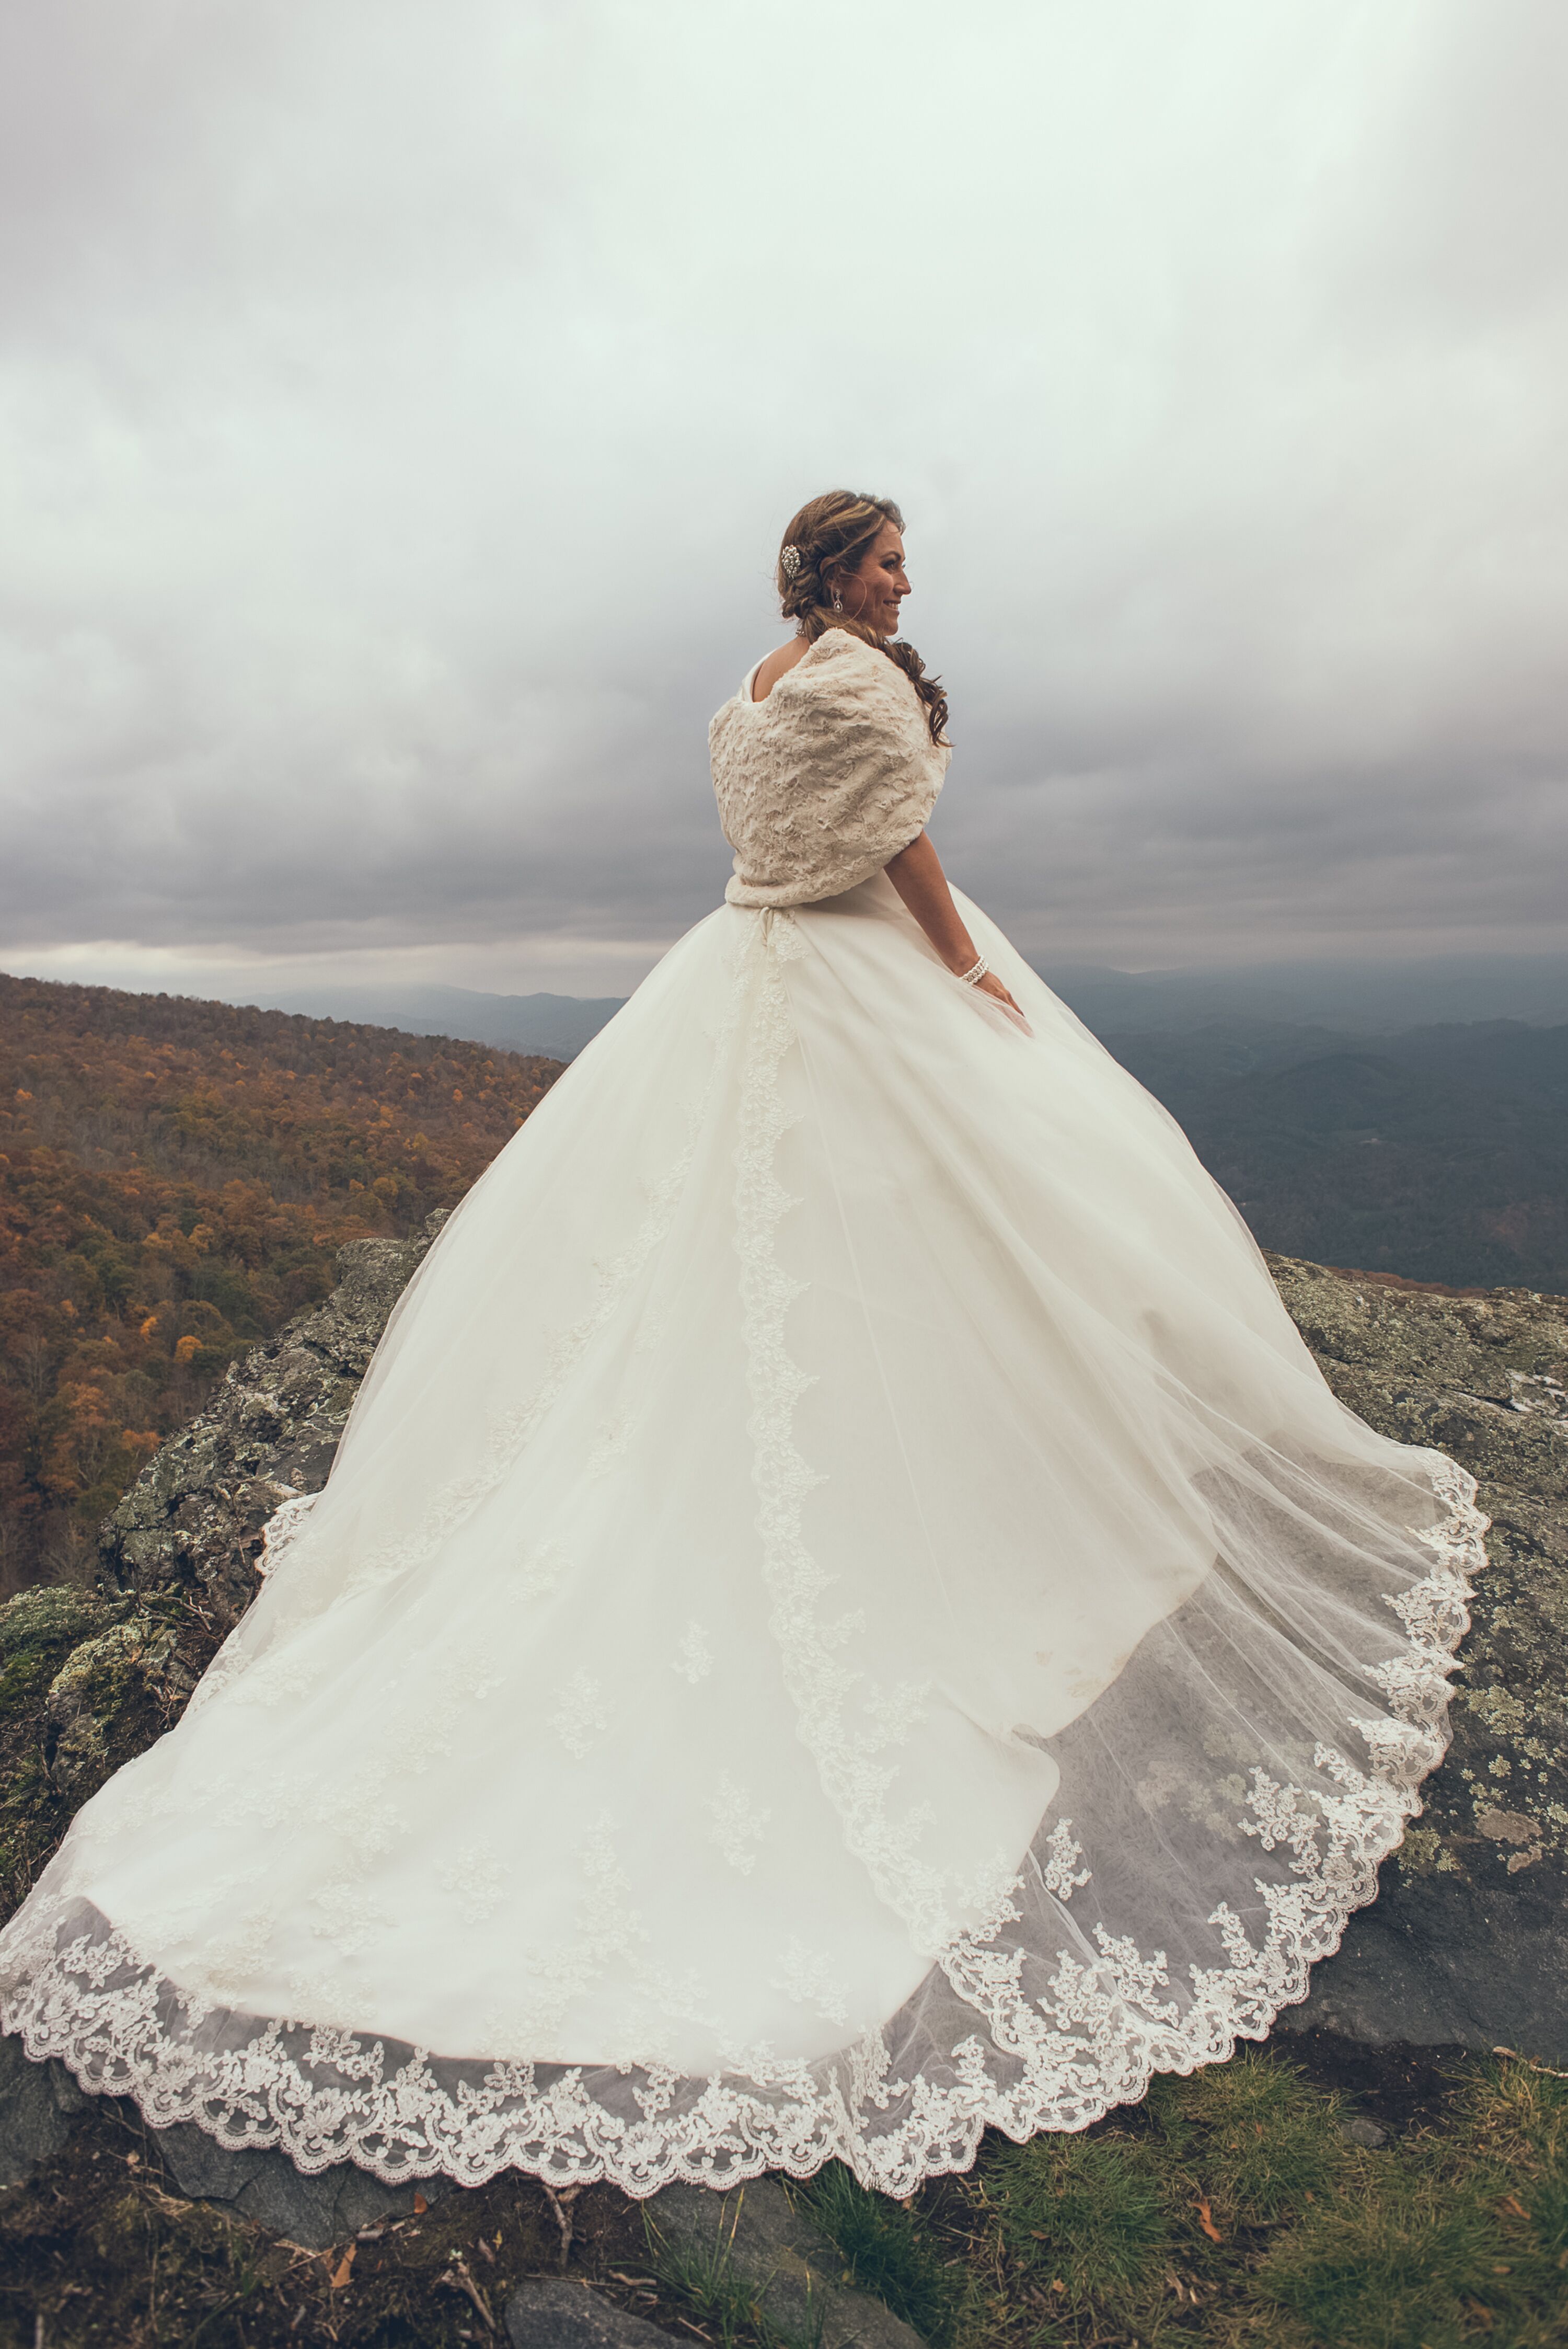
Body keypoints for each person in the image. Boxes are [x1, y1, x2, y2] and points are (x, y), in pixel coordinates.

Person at [0, 490, 1484, 2200]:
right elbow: (901, 848)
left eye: (904, 566)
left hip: (741, 967)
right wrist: (966, 971)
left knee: (734, 1249)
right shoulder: (850, 689)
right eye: (888, 563)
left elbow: (784, 839)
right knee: (943, 1214)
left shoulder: (749, 695)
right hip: (855, 964)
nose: (906, 584)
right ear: (833, 575)